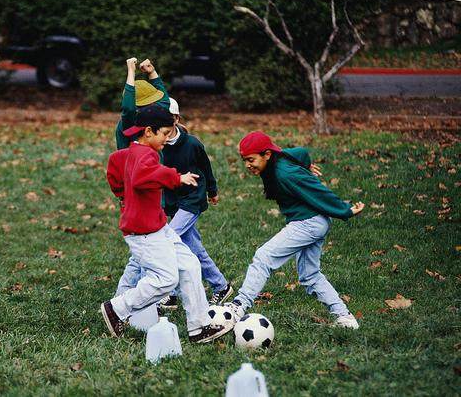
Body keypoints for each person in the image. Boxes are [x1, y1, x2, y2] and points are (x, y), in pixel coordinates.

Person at [100, 104, 232, 343]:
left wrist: (122, 193)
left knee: (190, 265)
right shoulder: (145, 155)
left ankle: (199, 327)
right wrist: (175, 177)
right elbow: (142, 177)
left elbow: (114, 164)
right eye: (165, 133)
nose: (167, 137)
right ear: (148, 132)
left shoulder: (131, 152)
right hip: (144, 233)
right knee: (166, 280)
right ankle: (117, 308)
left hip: (157, 227)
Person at [225, 131, 365, 329]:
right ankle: (345, 318)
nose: (247, 165)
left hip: (308, 223)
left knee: (263, 257)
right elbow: (300, 152)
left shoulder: (286, 173)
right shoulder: (278, 158)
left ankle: (239, 305)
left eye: (251, 159)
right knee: (309, 275)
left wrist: (344, 210)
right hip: (313, 222)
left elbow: (317, 190)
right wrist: (305, 164)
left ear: (267, 154)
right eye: (244, 160)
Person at [157, 97, 233, 310]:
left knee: (167, 238)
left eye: (168, 120)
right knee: (193, 246)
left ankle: (169, 294)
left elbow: (206, 167)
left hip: (192, 200)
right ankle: (220, 285)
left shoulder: (192, 143)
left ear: (176, 119)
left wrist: (212, 190)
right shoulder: (158, 146)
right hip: (173, 201)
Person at [115, 58, 170, 150]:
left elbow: (165, 102)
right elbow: (129, 108)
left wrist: (152, 72)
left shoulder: (152, 114)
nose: (155, 104)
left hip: (154, 161)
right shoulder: (130, 122)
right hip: (133, 162)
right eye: (151, 102)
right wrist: (131, 72)